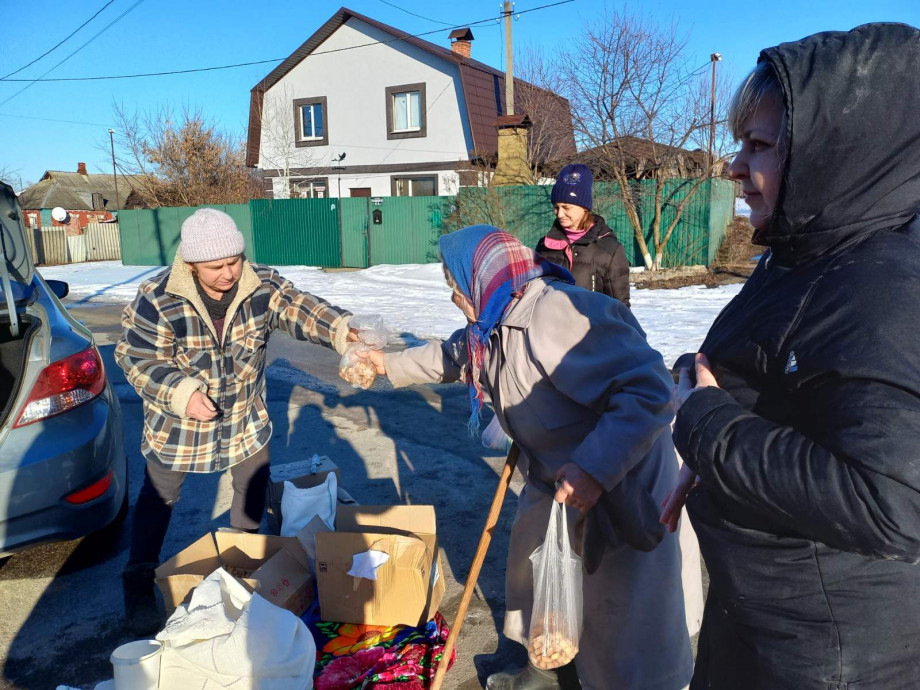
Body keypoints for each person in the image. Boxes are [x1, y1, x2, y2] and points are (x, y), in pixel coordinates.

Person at [660, 23, 920, 688]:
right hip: (765, 618)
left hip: (826, 655)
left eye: (759, 146)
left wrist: (708, 426)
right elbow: (784, 378)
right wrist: (716, 442)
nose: (734, 166)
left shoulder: (878, 286)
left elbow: (887, 500)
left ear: (835, 155)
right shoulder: (807, 254)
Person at [362, 225, 692, 690]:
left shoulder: (554, 314)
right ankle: (546, 670)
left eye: (456, 288)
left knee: (619, 611)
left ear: (483, 280)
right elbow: (456, 355)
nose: (455, 298)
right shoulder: (493, 323)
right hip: (558, 476)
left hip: (620, 476)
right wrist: (387, 364)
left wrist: (595, 470)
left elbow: (650, 389)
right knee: (541, 579)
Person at [115, 208, 357, 636]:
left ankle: (239, 566)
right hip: (178, 425)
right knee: (159, 498)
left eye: (234, 261)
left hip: (245, 416)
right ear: (190, 265)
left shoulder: (259, 283)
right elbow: (135, 357)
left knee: (252, 488)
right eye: (215, 267)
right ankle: (138, 581)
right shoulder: (157, 297)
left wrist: (342, 330)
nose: (228, 274)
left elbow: (300, 308)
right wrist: (180, 391)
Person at [536, 163, 630, 306]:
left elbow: (620, 309)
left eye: (566, 207)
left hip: (591, 327)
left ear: (584, 207)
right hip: (552, 327)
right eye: (556, 207)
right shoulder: (545, 246)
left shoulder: (609, 250)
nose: (560, 214)